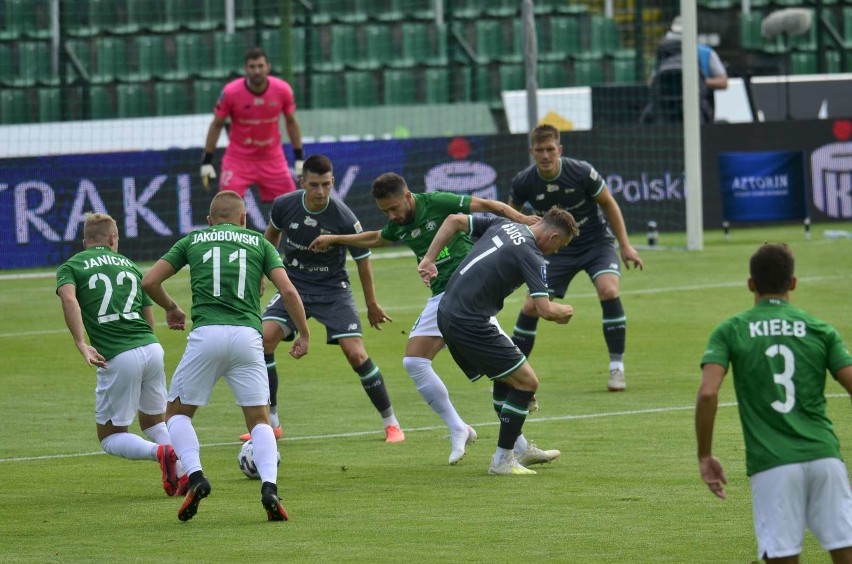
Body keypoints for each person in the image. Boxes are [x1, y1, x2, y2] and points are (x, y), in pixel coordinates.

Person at [310, 172, 556, 466]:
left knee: (509, 374)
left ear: (408, 197)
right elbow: (377, 237)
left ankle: (511, 446)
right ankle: (468, 431)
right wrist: (336, 239)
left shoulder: (437, 202)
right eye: (384, 211)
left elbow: (491, 205)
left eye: (394, 208)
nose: (392, 215)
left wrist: (520, 219)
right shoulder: (397, 224)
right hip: (445, 299)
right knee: (418, 362)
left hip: (467, 295)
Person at [141, 191, 310, 522]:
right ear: (245, 219)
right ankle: (270, 487)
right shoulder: (259, 243)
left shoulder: (194, 240)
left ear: (209, 220)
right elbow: (288, 292)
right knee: (260, 420)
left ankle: (197, 475)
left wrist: (171, 307)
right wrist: (303, 333)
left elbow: (149, 280)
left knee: (176, 414)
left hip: (206, 336)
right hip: (248, 337)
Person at [696, 243, 852, 562]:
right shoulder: (820, 330)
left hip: (773, 462)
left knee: (782, 555)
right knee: (845, 550)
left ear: (751, 284)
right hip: (825, 457)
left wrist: (705, 455)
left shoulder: (731, 330)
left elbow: (708, 393)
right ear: (792, 283)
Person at [248, 155, 404, 444]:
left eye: (326, 184)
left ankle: (391, 423)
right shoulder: (284, 205)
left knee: (355, 353)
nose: (320, 191)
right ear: (303, 182)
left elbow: (363, 260)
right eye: (314, 184)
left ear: (333, 182)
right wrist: (260, 273)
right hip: (295, 286)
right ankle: (272, 421)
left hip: (333, 290)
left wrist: (371, 304)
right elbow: (270, 237)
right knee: (264, 340)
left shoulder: (343, 217)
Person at [417, 207, 579, 475]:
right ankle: (503, 460)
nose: (557, 251)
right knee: (527, 382)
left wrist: (428, 259)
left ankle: (520, 450)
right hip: (469, 321)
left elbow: (453, 220)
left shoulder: (503, 225)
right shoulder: (531, 254)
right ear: (551, 237)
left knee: (508, 379)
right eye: (560, 245)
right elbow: (545, 310)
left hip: (447, 312)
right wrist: (567, 311)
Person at [56, 213, 185, 497]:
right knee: (154, 421)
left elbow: (68, 298)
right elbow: (148, 315)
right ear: (113, 239)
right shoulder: (129, 265)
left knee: (111, 436)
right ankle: (184, 471)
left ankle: (160, 453)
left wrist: (81, 342)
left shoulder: (72, 266)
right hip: (151, 348)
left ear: (84, 241)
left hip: (117, 354)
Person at [508, 124, 644, 392]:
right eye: (540, 150)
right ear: (531, 152)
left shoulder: (581, 171)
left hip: (595, 243)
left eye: (550, 150)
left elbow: (608, 203)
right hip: (555, 251)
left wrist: (626, 246)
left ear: (560, 150)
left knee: (608, 289)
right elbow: (510, 217)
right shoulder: (524, 181)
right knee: (530, 307)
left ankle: (617, 369)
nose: (545, 155)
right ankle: (512, 371)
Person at [200, 46, 304, 210]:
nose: (257, 71)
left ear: (268, 67)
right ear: (245, 69)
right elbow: (217, 124)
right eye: (252, 67)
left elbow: (291, 121)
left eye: (261, 66)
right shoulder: (231, 92)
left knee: (292, 207)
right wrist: (207, 161)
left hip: (272, 158)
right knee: (225, 208)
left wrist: (299, 157)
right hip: (238, 160)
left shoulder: (282, 90)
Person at [643, 15, 728, 124]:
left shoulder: (705, 53)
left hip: (698, 110)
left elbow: (723, 82)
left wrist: (699, 82)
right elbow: (652, 82)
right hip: (667, 114)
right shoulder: (663, 53)